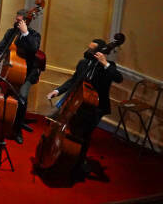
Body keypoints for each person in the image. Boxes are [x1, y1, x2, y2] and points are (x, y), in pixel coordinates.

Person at [47, 38, 124, 179]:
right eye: (88, 48)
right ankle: (63, 154)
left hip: (96, 108)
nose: (87, 51)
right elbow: (73, 81)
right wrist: (57, 91)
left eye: (91, 49)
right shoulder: (84, 63)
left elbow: (118, 78)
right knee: (66, 126)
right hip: (78, 104)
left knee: (83, 136)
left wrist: (105, 63)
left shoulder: (108, 66)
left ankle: (78, 162)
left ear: (99, 52)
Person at [0, 9, 42, 144]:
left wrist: (25, 33)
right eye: (16, 20)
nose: (16, 23)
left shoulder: (34, 35)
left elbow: (33, 49)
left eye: (19, 21)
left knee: (21, 98)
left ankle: (17, 129)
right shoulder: (11, 32)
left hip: (26, 73)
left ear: (26, 21)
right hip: (6, 68)